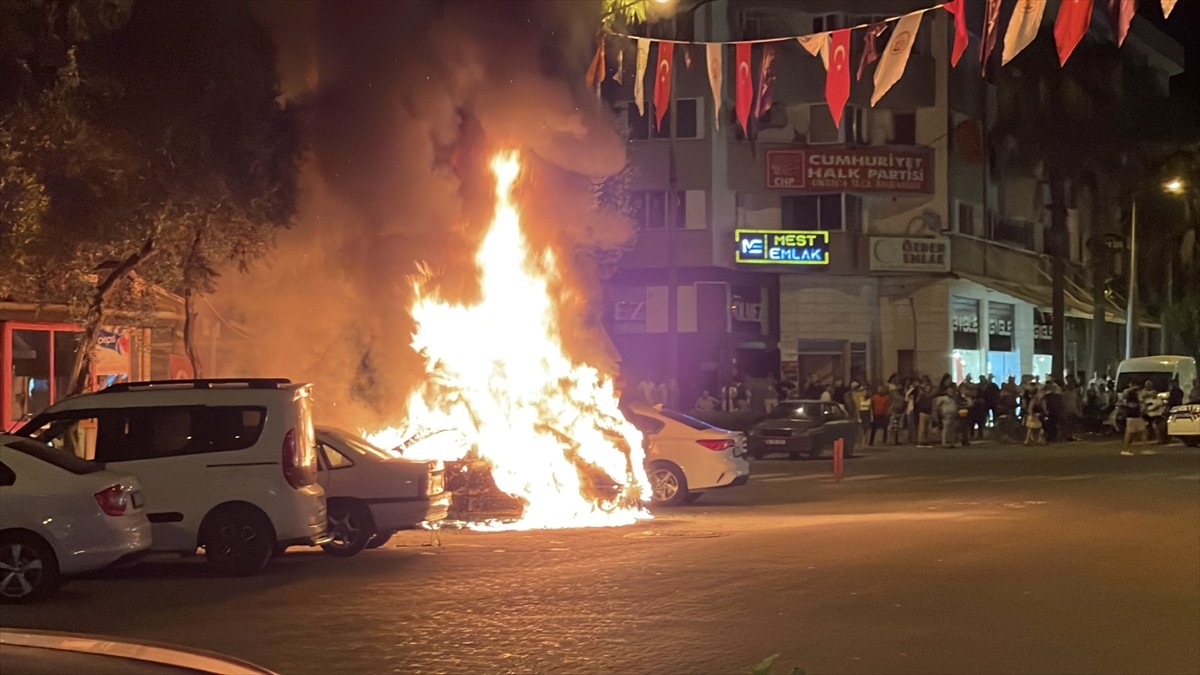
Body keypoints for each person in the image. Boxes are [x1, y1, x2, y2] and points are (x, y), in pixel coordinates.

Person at [1121, 385, 1147, 455]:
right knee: (1141, 432)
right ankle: (1143, 449)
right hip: (1136, 418)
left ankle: (1126, 449)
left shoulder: (1128, 400)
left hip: (1131, 418)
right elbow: (1143, 407)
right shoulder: (1136, 399)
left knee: (1130, 433)